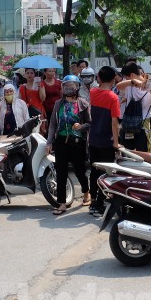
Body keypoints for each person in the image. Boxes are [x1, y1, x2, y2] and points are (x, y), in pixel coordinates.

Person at [46, 75, 91, 215]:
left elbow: (90, 123)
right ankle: (62, 203)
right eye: (66, 85)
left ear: (77, 87)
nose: (69, 88)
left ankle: (86, 192)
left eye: (72, 86)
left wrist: (80, 126)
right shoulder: (58, 104)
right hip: (61, 141)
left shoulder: (83, 103)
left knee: (79, 170)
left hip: (77, 142)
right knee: (61, 172)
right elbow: (53, 124)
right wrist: (49, 142)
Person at [87, 66, 121, 218]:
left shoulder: (93, 92)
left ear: (99, 78)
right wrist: (116, 143)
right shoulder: (113, 97)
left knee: (94, 172)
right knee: (105, 174)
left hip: (93, 139)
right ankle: (99, 204)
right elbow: (114, 123)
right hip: (107, 141)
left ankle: (93, 201)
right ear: (113, 79)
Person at [117, 62, 151, 152]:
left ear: (132, 75)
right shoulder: (130, 85)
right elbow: (118, 86)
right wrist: (132, 81)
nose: (125, 80)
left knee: (143, 157)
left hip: (142, 128)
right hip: (130, 127)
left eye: (126, 78)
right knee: (129, 155)